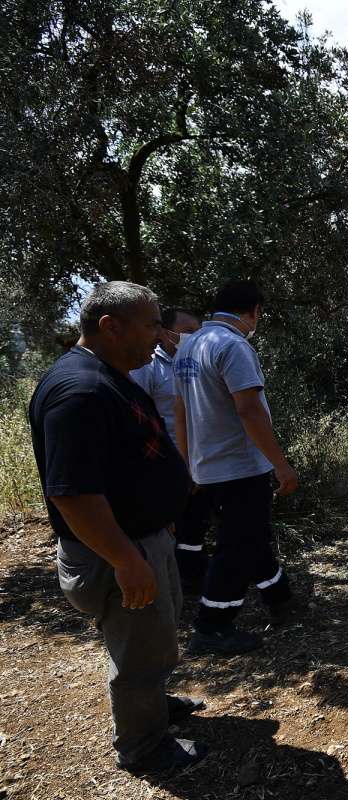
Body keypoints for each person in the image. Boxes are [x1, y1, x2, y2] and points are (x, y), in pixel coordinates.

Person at [28, 281, 207, 774]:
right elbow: (72, 494)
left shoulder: (109, 375)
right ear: (111, 327)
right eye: (152, 324)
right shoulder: (80, 391)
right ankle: (144, 746)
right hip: (120, 551)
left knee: (154, 639)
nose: (161, 333)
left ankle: (153, 707)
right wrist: (126, 559)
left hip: (144, 539)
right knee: (138, 656)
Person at [174, 279, 299, 656]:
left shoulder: (189, 346)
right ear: (253, 311)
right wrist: (281, 465)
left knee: (250, 533)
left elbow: (180, 411)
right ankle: (212, 625)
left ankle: (279, 597)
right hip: (240, 466)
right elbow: (248, 409)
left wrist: (187, 462)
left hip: (208, 465)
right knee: (237, 545)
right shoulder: (233, 345)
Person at [130, 307, 209, 594]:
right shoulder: (148, 368)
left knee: (197, 521)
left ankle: (193, 570)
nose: (193, 338)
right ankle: (183, 577)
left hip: (203, 458)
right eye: (187, 332)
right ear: (165, 333)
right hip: (170, 461)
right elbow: (140, 416)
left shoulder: (198, 362)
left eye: (197, 332)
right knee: (178, 521)